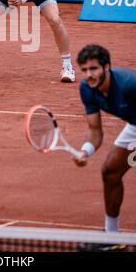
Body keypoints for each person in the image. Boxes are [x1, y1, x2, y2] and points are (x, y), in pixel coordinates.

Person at [74, 44, 136, 250]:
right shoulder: (87, 89)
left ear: (107, 67)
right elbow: (95, 131)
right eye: (84, 70)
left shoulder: (129, 85)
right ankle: (112, 236)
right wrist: (85, 151)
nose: (89, 75)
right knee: (110, 172)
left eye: (94, 69)